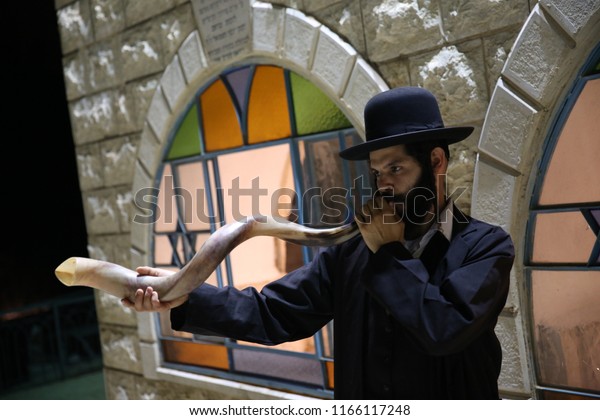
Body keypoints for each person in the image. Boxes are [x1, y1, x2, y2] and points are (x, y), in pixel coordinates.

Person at [123, 86, 515, 399]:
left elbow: (444, 330)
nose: (384, 185)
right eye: (377, 172)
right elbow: (272, 312)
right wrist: (186, 294)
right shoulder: (352, 250)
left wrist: (389, 254)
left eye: (396, 168)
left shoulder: (486, 248)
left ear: (436, 162)